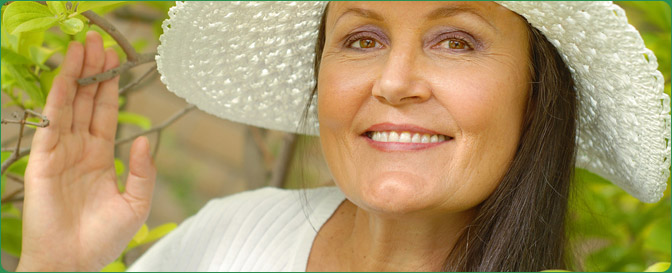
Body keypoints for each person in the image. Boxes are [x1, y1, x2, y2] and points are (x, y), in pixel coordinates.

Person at [15, 1, 670, 272]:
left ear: (536, 97)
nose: (395, 81)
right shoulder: (227, 238)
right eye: (362, 38)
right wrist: (57, 264)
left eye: (456, 40)